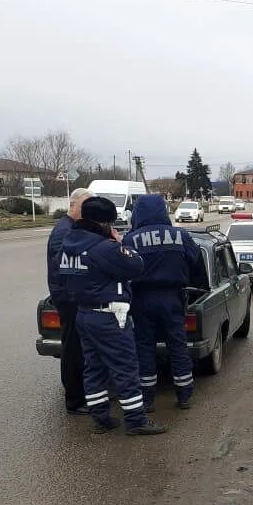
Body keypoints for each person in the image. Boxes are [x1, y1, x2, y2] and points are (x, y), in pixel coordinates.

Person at [58, 196, 166, 436]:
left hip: (84, 314)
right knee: (126, 368)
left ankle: (100, 417)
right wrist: (119, 243)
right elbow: (136, 266)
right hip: (110, 316)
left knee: (94, 368)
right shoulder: (104, 247)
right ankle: (136, 420)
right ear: (106, 223)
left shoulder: (68, 243)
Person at [123, 194, 208, 411]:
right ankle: (184, 395)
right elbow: (197, 263)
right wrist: (199, 288)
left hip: (141, 298)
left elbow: (121, 271)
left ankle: (147, 398)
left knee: (144, 347)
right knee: (177, 345)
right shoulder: (180, 235)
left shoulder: (131, 239)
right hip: (173, 297)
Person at [46, 187, 93, 414]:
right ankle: (74, 400)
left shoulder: (73, 228)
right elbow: (64, 269)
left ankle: (84, 393)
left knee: (82, 348)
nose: (87, 212)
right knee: (73, 349)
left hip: (75, 296)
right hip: (68, 298)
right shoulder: (64, 231)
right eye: (84, 207)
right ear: (73, 205)